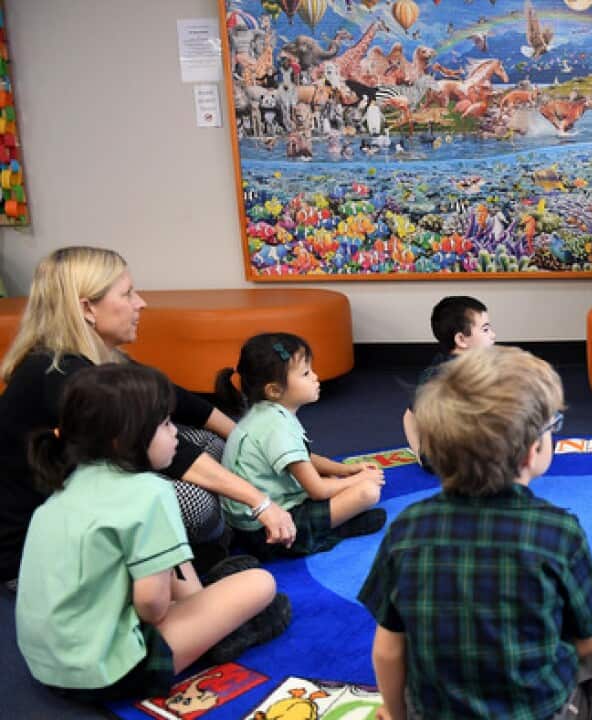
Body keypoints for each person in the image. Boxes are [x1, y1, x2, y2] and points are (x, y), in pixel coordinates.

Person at [360, 346, 592, 720]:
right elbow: (590, 642)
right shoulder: (557, 532)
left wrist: (395, 713)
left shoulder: (406, 529)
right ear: (532, 450)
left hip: (437, 711)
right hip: (540, 710)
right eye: (553, 425)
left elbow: (389, 651)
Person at [0, 246, 295, 583]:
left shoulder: (100, 357)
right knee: (195, 502)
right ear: (87, 308)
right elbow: (171, 454)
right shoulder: (62, 374)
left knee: (212, 443)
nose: (141, 302)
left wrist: (252, 442)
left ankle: (211, 543)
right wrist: (259, 502)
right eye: (127, 294)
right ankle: (204, 560)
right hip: (35, 553)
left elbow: (178, 399)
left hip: (87, 492)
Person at [16, 365, 286, 701]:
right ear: (123, 439)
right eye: (165, 424)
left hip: (47, 665)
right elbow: (151, 607)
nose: (176, 433)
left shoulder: (68, 483)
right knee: (260, 584)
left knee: (173, 568)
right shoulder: (149, 491)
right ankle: (221, 635)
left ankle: (210, 616)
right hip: (109, 672)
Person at [216, 332, 386, 559]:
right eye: (306, 373)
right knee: (368, 492)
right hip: (267, 531)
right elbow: (318, 490)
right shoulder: (277, 426)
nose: (315, 377)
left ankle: (329, 524)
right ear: (274, 390)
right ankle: (326, 533)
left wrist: (345, 470)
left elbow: (304, 458)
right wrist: (360, 479)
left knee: (336, 482)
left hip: (249, 522)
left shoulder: (266, 414)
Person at [400, 295, 495, 465]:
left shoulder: (473, 367)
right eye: (485, 330)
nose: (493, 335)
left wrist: (420, 454)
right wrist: (422, 455)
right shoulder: (443, 376)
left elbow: (409, 416)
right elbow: (410, 417)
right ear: (461, 339)